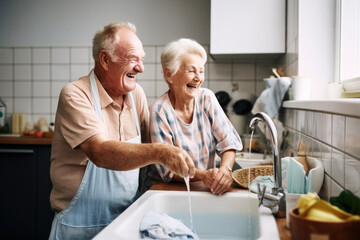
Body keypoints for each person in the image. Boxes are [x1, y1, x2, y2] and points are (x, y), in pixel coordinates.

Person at [48, 22, 195, 240]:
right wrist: (162, 152)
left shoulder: (137, 96)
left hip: (127, 220)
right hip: (79, 226)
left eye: (142, 60)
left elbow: (154, 143)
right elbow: (99, 151)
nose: (141, 68)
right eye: (133, 59)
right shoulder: (75, 94)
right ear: (105, 59)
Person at [148, 38, 242, 196]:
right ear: (169, 74)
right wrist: (203, 175)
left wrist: (225, 170)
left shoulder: (207, 98)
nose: (198, 78)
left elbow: (229, 144)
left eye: (201, 71)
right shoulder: (159, 111)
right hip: (167, 192)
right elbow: (168, 170)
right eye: (191, 71)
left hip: (202, 188)